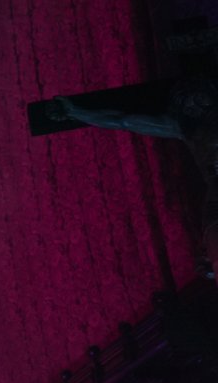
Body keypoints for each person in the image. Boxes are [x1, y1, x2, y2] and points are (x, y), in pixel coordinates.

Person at [53, 80, 218, 280]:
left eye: (200, 100)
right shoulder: (187, 130)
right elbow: (122, 120)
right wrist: (75, 112)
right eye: (192, 102)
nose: (196, 104)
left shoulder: (192, 127)